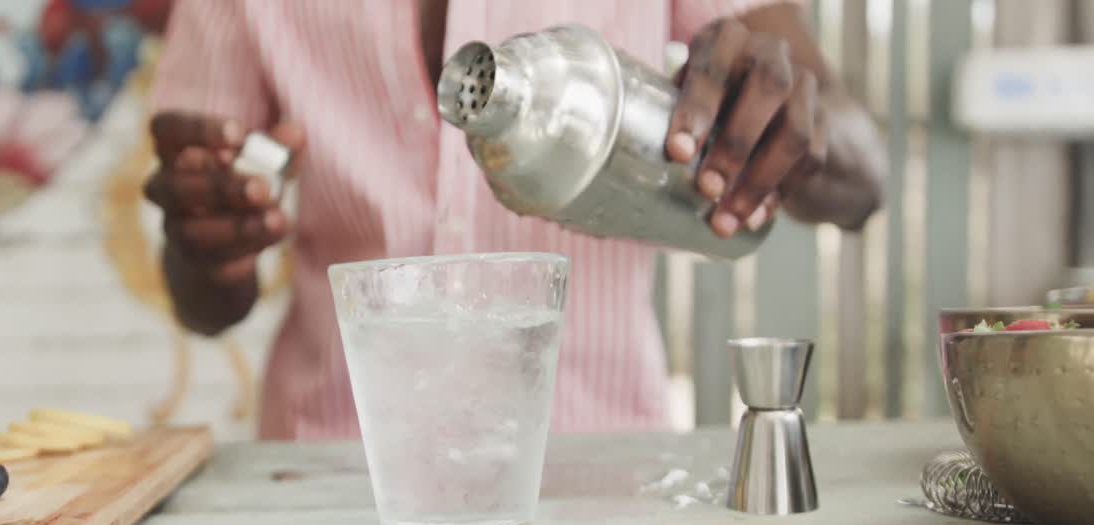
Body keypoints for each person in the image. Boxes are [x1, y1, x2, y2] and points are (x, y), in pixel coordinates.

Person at [143, 0, 884, 441]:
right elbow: (203, 300)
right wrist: (211, 247)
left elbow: (864, 174)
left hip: (602, 477)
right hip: (332, 473)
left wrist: (803, 126)